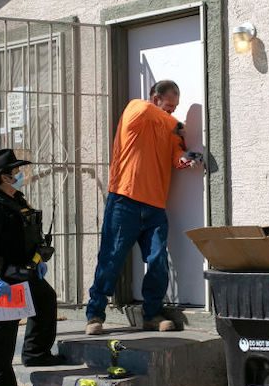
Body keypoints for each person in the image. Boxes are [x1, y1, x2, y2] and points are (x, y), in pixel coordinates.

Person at [85, 80, 201, 335]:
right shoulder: (136, 109)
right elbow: (157, 116)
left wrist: (186, 159)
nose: (172, 112)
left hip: (155, 206)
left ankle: (152, 314)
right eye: (169, 106)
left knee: (158, 261)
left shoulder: (168, 128)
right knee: (111, 259)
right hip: (124, 200)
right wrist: (181, 126)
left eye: (175, 108)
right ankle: (95, 315)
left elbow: (175, 157)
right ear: (154, 97)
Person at [0, 148, 63, 386]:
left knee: (45, 300)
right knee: (4, 328)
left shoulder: (16, 199)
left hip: (24, 269)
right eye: (15, 171)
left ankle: (36, 354)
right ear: (4, 176)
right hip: (2, 275)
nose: (20, 174)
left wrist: (38, 258)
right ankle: (0, 384)